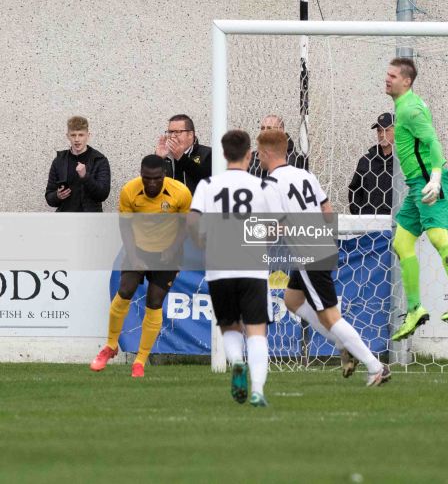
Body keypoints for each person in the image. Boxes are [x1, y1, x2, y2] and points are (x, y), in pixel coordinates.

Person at [258, 129, 390, 386]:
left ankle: (375, 366)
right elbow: (327, 210)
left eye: (259, 153)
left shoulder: (271, 184)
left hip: (307, 252)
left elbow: (274, 227)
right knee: (293, 300)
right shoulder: (305, 175)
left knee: (329, 315)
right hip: (321, 242)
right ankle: (344, 345)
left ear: (266, 153)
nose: (258, 158)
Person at [385, 58, 448, 341]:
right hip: (416, 185)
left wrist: (435, 178)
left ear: (406, 81)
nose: (387, 79)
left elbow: (433, 142)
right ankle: (415, 309)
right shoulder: (407, 105)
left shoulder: (410, 109)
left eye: (392, 76)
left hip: (427, 184)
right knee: (402, 243)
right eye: (387, 74)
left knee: (437, 237)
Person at [187, 130, 277, 406]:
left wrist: (201, 242)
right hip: (252, 267)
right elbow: (275, 227)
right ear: (249, 154)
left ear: (224, 155)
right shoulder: (262, 186)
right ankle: (258, 390)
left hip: (219, 267)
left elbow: (192, 220)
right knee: (257, 330)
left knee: (229, 326)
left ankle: (237, 361)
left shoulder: (208, 185)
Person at [90, 154, 192, 377]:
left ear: (164, 175)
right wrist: (133, 255)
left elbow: (186, 225)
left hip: (168, 254)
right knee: (125, 290)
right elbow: (125, 226)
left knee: (154, 302)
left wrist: (173, 250)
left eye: (156, 178)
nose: (151, 183)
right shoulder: (129, 190)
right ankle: (110, 345)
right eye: (147, 178)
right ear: (141, 175)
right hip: (138, 249)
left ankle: (140, 361)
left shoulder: (181, 192)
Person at [44, 116, 111, 212]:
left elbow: (103, 195)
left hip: (91, 218)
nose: (77, 139)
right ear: (68, 136)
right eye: (73, 135)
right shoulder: (59, 161)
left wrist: (85, 177)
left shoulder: (99, 160)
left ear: (88, 135)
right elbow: (49, 197)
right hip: (66, 217)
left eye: (81, 135)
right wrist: (57, 196)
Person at [348, 112, 395, 215]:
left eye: (386, 130)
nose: (382, 135)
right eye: (379, 131)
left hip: (396, 221)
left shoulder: (403, 162)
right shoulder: (365, 161)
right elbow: (354, 190)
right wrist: (360, 215)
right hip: (369, 222)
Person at [156, 114, 212, 193]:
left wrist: (181, 157)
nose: (172, 136)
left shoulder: (208, 153)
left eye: (177, 132)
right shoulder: (165, 156)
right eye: (170, 132)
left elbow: (207, 180)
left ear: (190, 134)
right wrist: (158, 159)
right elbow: (149, 183)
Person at [248, 114, 310, 179]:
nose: (265, 131)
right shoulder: (253, 157)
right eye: (262, 128)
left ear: (281, 130)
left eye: (269, 128)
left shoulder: (292, 158)